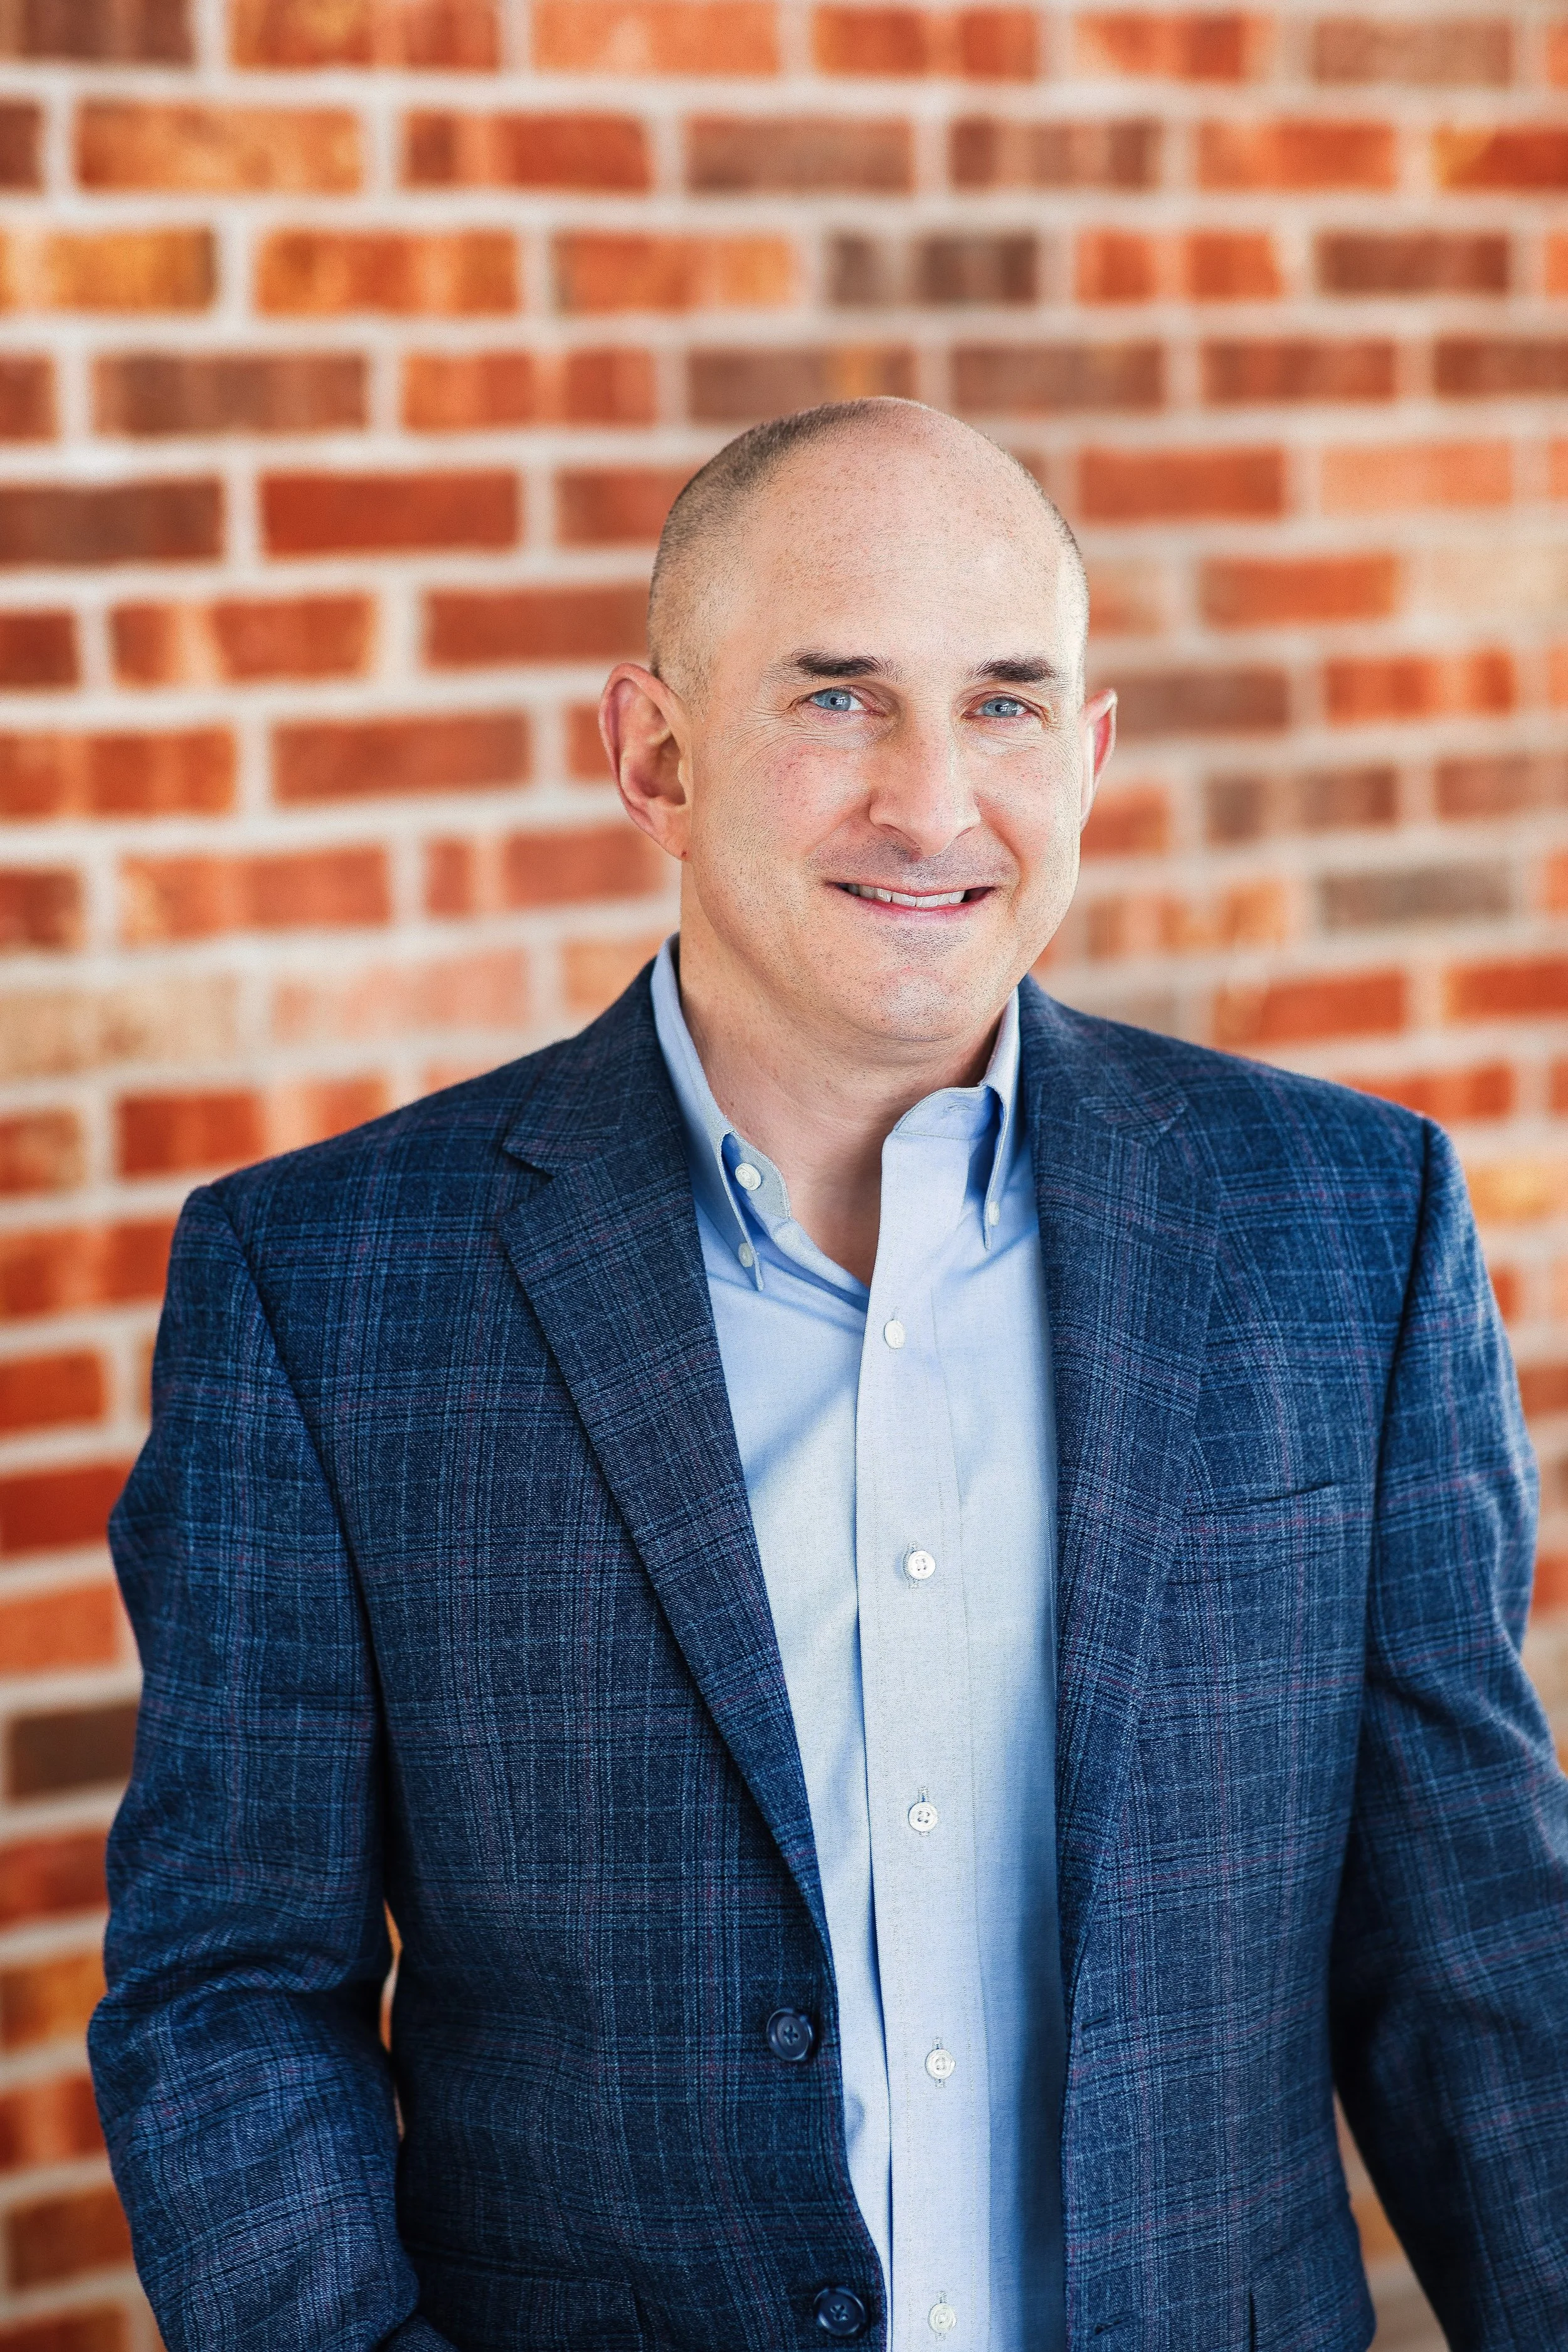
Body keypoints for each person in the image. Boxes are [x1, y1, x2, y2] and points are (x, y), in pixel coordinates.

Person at [90, 400, 1568, 2352]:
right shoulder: (324, 1281)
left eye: (1008, 702)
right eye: (839, 699)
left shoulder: (1344, 1222)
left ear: (1092, 752)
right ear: (655, 750)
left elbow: (1472, 1955)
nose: (934, 803)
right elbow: (227, 1990)